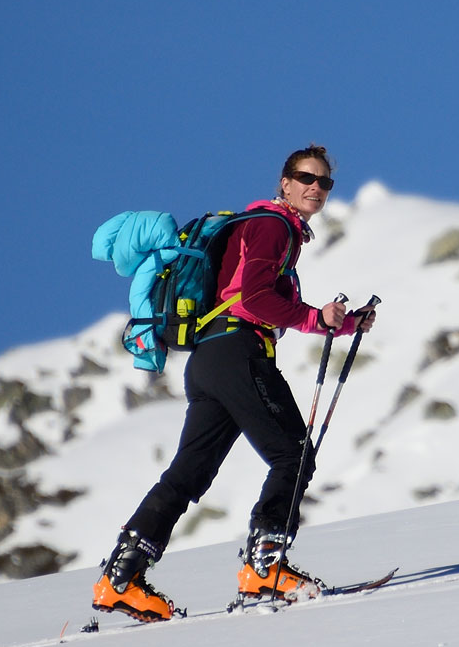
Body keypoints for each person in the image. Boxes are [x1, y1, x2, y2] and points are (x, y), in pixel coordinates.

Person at [92, 144, 377, 621]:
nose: (316, 188)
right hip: (239, 353)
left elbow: (247, 296)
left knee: (187, 476)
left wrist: (341, 324)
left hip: (209, 361)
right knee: (293, 455)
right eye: (306, 177)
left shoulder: (260, 228)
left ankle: (120, 578)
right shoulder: (272, 226)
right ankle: (265, 568)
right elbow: (254, 298)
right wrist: (315, 318)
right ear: (284, 183)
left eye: (325, 182)